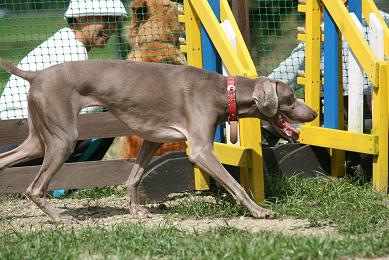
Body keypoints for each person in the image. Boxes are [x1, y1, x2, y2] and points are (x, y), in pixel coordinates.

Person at [0, 0, 128, 194]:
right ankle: (61, 186)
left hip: (14, 138)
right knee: (107, 120)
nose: (111, 27)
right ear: (79, 18)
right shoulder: (72, 53)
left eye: (115, 21)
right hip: (18, 141)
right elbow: (79, 111)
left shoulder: (63, 44)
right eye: (105, 19)